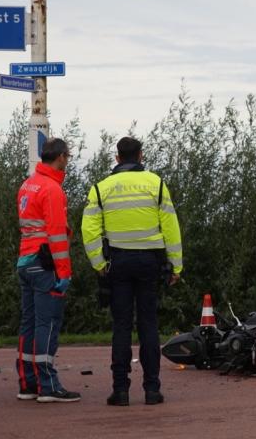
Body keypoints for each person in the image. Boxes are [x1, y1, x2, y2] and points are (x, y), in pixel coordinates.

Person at [82, 137, 182, 407]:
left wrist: (99, 264)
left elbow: (89, 230)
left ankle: (120, 390)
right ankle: (152, 390)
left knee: (121, 327)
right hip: (150, 262)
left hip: (118, 262)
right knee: (149, 325)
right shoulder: (156, 183)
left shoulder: (101, 188)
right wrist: (176, 264)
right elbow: (170, 227)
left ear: (117, 158)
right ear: (140, 156)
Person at [16, 138, 81, 403]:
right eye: (69, 156)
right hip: (45, 264)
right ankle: (48, 384)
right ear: (62, 157)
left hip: (25, 260)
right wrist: (64, 273)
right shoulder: (52, 189)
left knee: (29, 323)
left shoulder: (27, 184)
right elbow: (56, 235)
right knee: (48, 323)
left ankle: (28, 383)